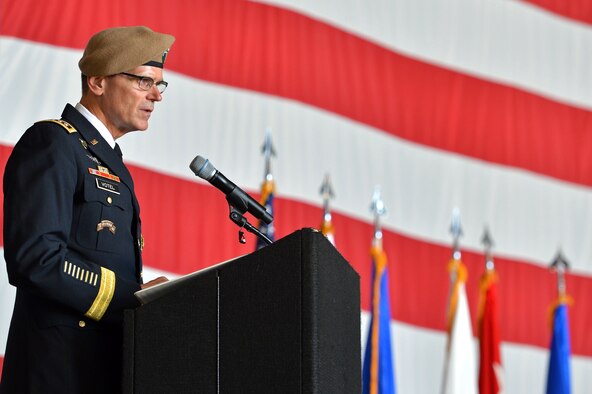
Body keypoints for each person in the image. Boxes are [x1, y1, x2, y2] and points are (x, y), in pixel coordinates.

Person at [0, 26, 175, 393]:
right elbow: (37, 259)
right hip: (57, 373)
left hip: (102, 370)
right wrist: (133, 300)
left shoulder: (106, 158)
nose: (157, 95)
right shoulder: (53, 142)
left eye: (160, 84)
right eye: (144, 82)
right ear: (97, 81)